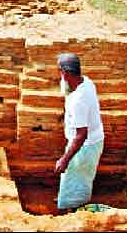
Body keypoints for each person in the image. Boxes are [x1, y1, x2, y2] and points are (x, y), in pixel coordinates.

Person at [53, 53, 104, 211]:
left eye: (60, 72)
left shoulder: (79, 100)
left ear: (65, 74)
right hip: (91, 142)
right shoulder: (86, 82)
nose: (59, 76)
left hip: (85, 147)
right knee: (75, 178)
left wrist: (65, 159)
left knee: (76, 180)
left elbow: (81, 135)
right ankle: (69, 201)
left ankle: (74, 211)